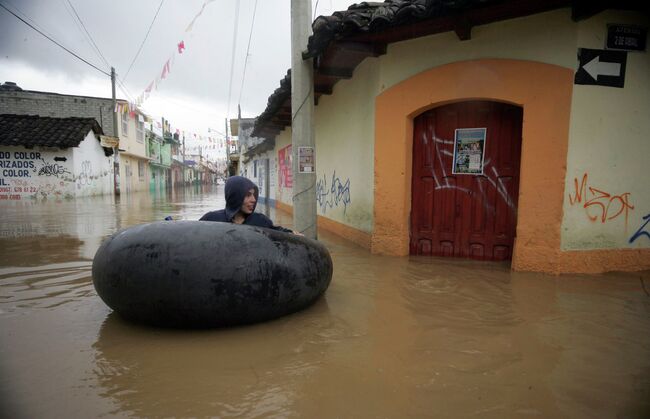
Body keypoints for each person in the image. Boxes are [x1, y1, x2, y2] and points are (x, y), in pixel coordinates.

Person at [200, 175, 300, 234]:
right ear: (235, 197)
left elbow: (278, 233)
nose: (253, 199)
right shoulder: (211, 219)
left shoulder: (261, 221)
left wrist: (292, 234)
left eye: (254, 195)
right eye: (248, 195)